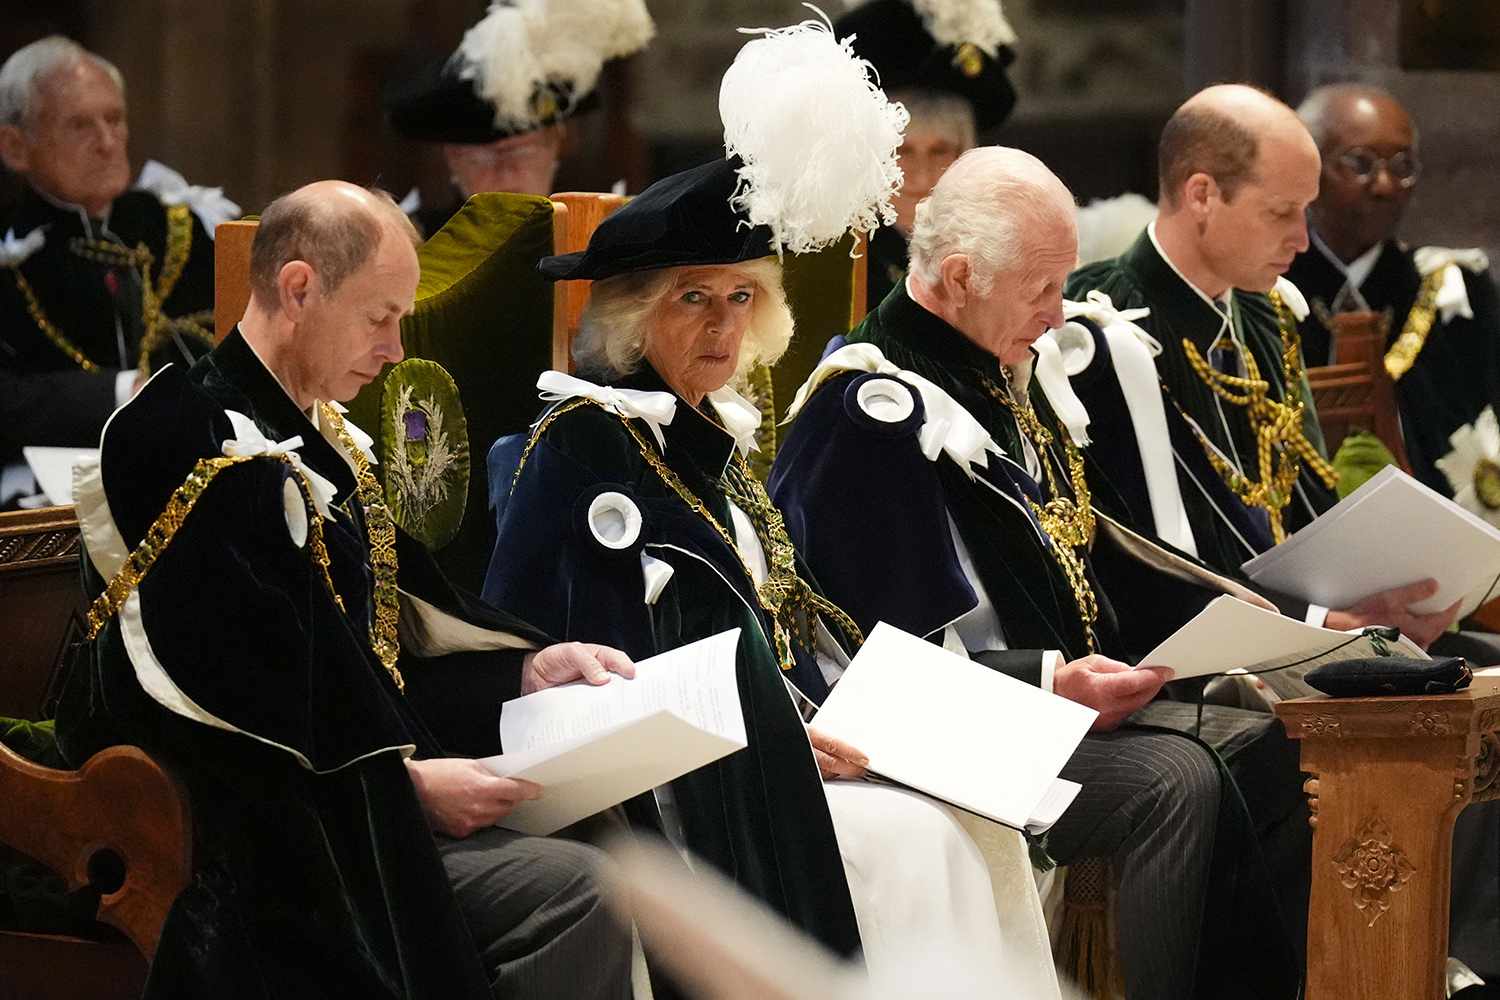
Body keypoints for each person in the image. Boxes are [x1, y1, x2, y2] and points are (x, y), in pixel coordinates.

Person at [486, 17, 1060, 996]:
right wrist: (786, 735)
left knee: (974, 820)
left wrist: (851, 715)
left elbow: (788, 616)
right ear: (632, 316)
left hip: (781, 746)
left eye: (740, 298)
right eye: (691, 301)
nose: (722, 326)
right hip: (670, 793)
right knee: (911, 843)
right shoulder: (579, 446)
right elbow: (587, 657)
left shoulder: (713, 443)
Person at [55, 180, 635, 999]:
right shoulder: (184, 442)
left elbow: (373, 666)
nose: (398, 348)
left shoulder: (322, 443)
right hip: (256, 842)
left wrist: (523, 673)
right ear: (298, 290)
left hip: (350, 806)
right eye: (381, 316)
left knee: (617, 840)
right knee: (585, 888)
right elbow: (232, 715)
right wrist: (406, 787)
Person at [771, 146, 1302, 1000]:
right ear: (957, 277)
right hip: (941, 738)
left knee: (1271, 739)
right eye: (1041, 290)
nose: (1060, 317)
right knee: (1178, 780)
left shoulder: (1004, 372)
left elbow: (1091, 551)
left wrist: (1265, 634)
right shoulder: (867, 411)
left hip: (1056, 713)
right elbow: (876, 657)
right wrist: (1050, 683)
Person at [1063, 83, 1460, 646]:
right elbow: (1134, 556)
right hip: (1189, 654)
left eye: (1305, 211)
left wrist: (1373, 602)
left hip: (1303, 625)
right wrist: (1320, 625)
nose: (1302, 238)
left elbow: (1305, 501)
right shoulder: (1100, 326)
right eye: (1281, 212)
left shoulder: (1265, 313)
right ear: (1201, 194)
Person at [0, 36, 219, 506]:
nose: (106, 142)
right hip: (46, 496)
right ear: (15, 146)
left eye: (115, 119)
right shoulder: (8, 255)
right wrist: (123, 392)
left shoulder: (179, 225)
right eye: (79, 125)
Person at [1290, 83, 1500, 497]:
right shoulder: (1265, 291)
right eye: (1360, 163)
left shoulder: (1454, 293)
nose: (1385, 185)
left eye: (1402, 165)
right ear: (1307, 169)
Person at [383, 0, 654, 235]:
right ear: (453, 160)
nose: (505, 171)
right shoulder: (416, 248)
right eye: (481, 158)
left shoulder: (598, 242)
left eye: (521, 151)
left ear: (556, 145)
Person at [835, 0, 1017, 312]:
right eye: (902, 151)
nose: (921, 175)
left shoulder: (1002, 251)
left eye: (940, 150)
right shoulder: (832, 259)